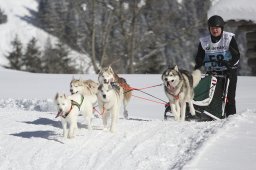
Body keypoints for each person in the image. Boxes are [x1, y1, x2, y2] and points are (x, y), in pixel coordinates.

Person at [194, 15, 240, 117]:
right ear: (209, 29)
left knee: (229, 97)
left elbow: (236, 55)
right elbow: (199, 58)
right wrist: (198, 67)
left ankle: (231, 117)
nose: (215, 30)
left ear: (221, 28)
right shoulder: (204, 41)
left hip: (228, 71)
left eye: (217, 28)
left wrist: (229, 63)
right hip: (213, 72)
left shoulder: (228, 38)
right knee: (212, 95)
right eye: (212, 28)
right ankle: (212, 115)